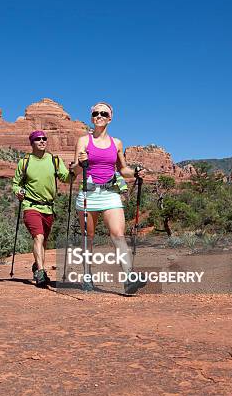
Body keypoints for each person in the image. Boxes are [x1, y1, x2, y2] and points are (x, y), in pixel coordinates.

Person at [74, 102, 146, 294]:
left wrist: (136, 172)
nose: (99, 116)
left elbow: (123, 169)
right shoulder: (83, 141)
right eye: (96, 113)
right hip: (88, 193)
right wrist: (80, 163)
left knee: (118, 234)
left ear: (110, 117)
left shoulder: (117, 143)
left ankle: (130, 277)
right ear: (91, 117)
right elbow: (75, 169)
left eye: (103, 113)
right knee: (88, 237)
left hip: (110, 194)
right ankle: (87, 276)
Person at [12, 130, 74, 287]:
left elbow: (67, 178)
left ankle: (36, 265)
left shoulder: (54, 160)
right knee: (38, 237)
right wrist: (18, 191)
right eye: (38, 139)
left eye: (44, 139)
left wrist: (75, 170)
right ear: (32, 143)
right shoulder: (25, 162)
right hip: (30, 206)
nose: (42, 141)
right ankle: (41, 272)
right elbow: (16, 183)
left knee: (44, 241)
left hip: (48, 208)